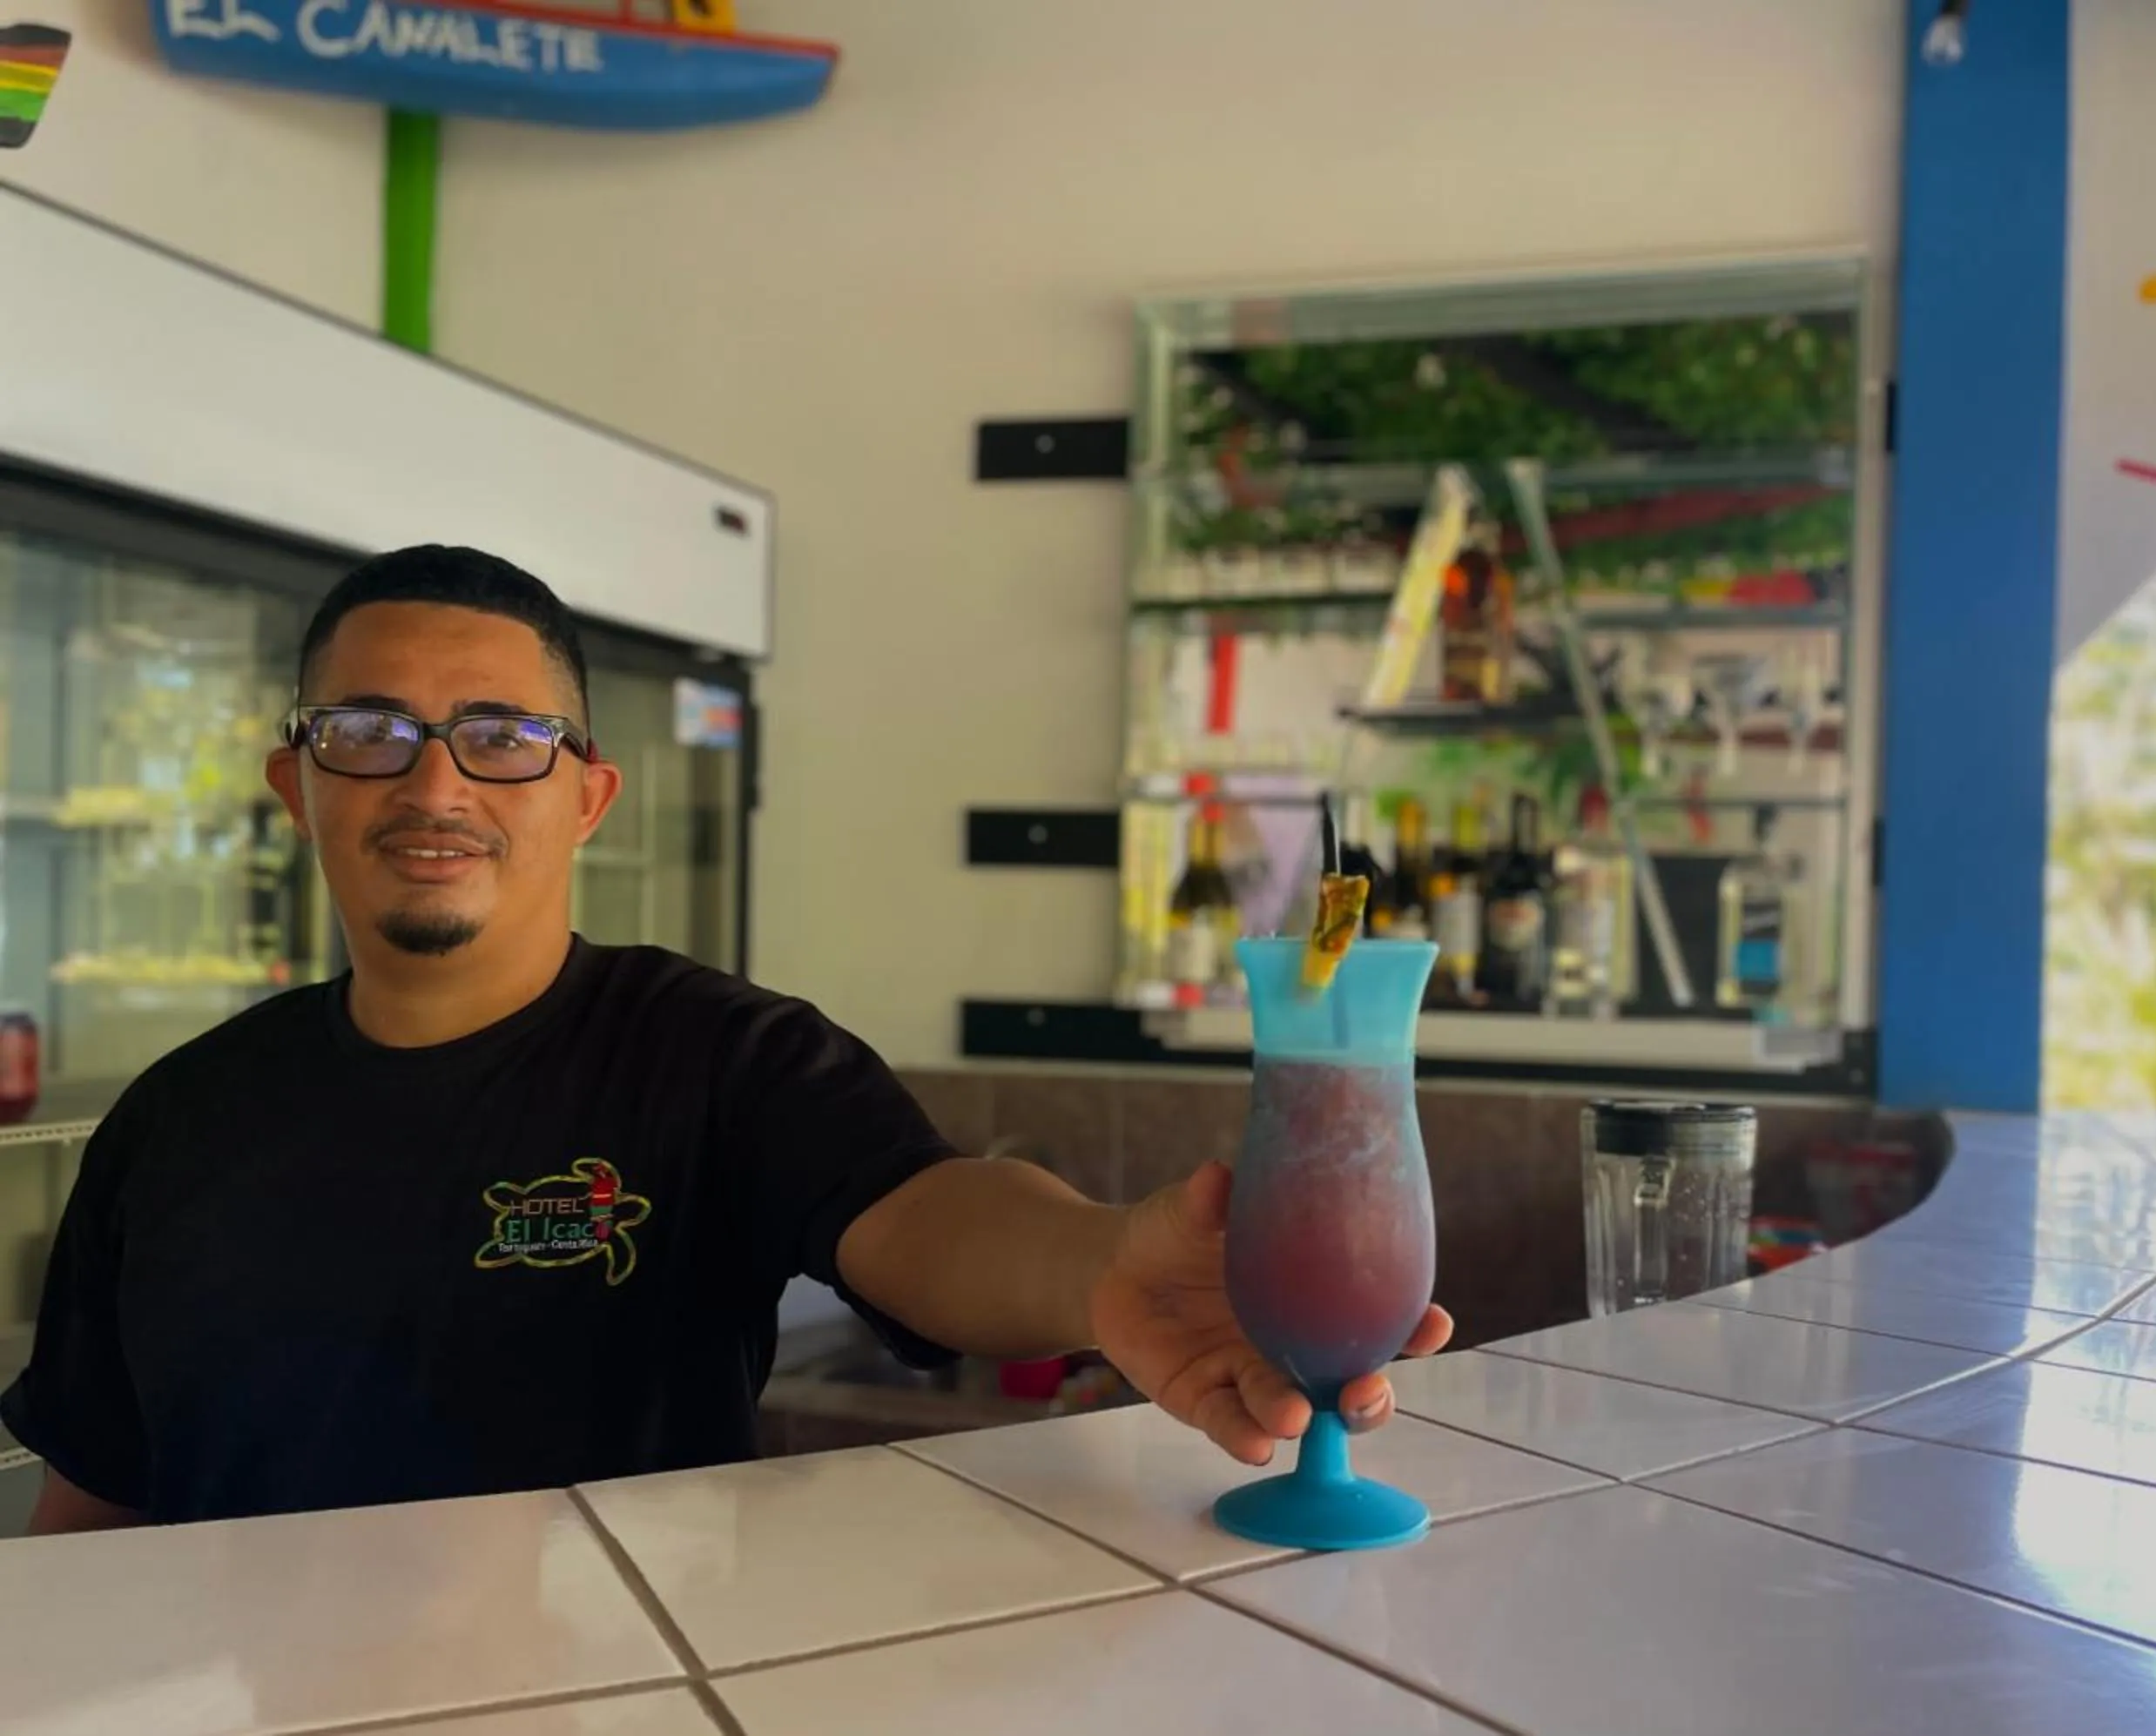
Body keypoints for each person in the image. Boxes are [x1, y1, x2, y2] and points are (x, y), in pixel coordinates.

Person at [0, 546, 1452, 1533]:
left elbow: (929, 1217)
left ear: (587, 796)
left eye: (502, 734)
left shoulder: (714, 1057)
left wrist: (1100, 1263)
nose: (434, 779)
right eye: (368, 728)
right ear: (294, 781)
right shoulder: (178, 1117)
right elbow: (93, 1503)